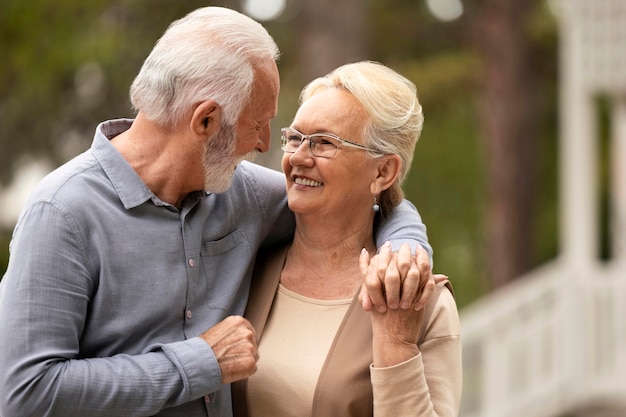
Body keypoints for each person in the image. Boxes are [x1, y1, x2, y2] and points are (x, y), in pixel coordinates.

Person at [0, 8, 435, 417]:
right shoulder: (62, 213)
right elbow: (24, 392)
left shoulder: (242, 192)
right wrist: (200, 363)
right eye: (258, 123)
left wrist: (404, 246)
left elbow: (357, 198)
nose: (266, 144)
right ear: (206, 121)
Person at [232, 61, 462, 417]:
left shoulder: (424, 300)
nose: (298, 158)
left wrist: (396, 344)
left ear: (383, 171)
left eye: (324, 143)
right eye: (295, 138)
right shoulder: (246, 261)